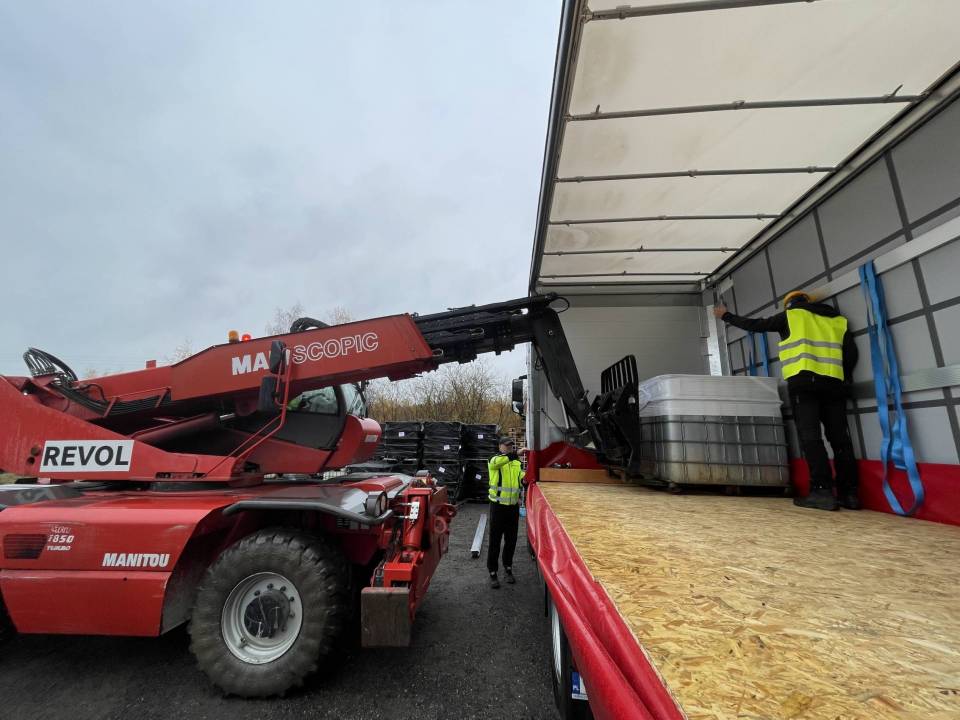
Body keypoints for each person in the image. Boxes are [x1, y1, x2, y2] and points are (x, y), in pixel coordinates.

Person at [714, 290, 860, 511]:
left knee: (811, 438)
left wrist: (726, 316)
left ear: (788, 304)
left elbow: (756, 325)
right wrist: (843, 378)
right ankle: (850, 495)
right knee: (840, 441)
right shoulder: (837, 320)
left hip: (804, 384)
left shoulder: (792, 315)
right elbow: (850, 354)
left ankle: (822, 491)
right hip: (834, 384)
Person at [487, 437, 527, 588]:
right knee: (495, 541)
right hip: (498, 507)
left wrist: (527, 478)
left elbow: (521, 478)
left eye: (511, 446)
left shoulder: (516, 463)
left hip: (512, 508)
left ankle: (508, 567)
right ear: (500, 446)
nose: (509, 448)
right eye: (506, 446)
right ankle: (493, 572)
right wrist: (516, 453)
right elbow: (501, 461)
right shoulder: (494, 459)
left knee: (511, 540)